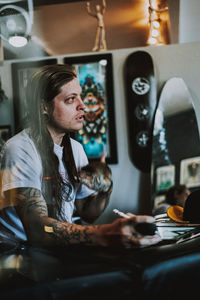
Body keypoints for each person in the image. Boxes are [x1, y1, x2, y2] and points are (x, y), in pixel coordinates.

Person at [0, 64, 161, 249]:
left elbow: (87, 212)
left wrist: (105, 187)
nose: (83, 105)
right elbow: (37, 230)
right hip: (17, 256)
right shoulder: (19, 149)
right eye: (70, 99)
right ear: (44, 106)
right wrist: (105, 234)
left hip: (53, 252)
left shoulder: (75, 150)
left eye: (81, 96)